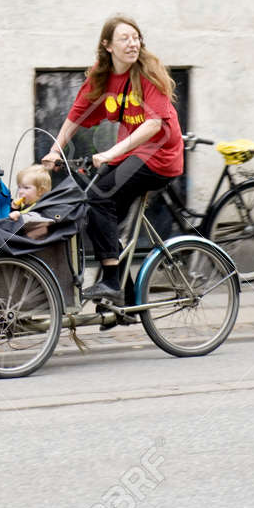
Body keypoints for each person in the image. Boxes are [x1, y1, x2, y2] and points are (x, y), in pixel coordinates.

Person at [40, 16, 184, 303]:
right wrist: (56, 149)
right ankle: (127, 298)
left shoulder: (148, 73)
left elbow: (154, 125)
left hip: (160, 156)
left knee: (98, 196)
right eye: (124, 38)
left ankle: (110, 282)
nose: (133, 43)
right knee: (95, 213)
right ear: (107, 46)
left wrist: (110, 154)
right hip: (132, 153)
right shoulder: (102, 75)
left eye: (136, 37)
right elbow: (76, 114)